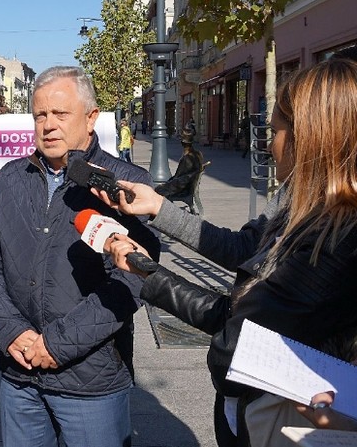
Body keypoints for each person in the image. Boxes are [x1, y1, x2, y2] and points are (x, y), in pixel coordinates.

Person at [100, 58, 357, 447]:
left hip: (286, 421)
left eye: (276, 131)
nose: (269, 145)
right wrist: (158, 208)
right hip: (253, 412)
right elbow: (244, 250)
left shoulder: (333, 239)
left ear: (308, 139)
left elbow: (236, 341)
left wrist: (148, 274)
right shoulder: (299, 202)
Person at [0, 65, 161, 447]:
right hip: (20, 373)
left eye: (60, 113)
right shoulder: (11, 178)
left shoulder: (126, 186)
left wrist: (56, 345)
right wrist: (10, 331)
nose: (48, 125)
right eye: (40, 115)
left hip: (91, 383)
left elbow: (131, 281)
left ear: (91, 118)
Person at [153, 126, 204, 198]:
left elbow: (178, 177)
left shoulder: (186, 158)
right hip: (188, 185)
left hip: (184, 188)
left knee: (156, 190)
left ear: (182, 143)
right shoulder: (198, 154)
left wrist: (164, 186)